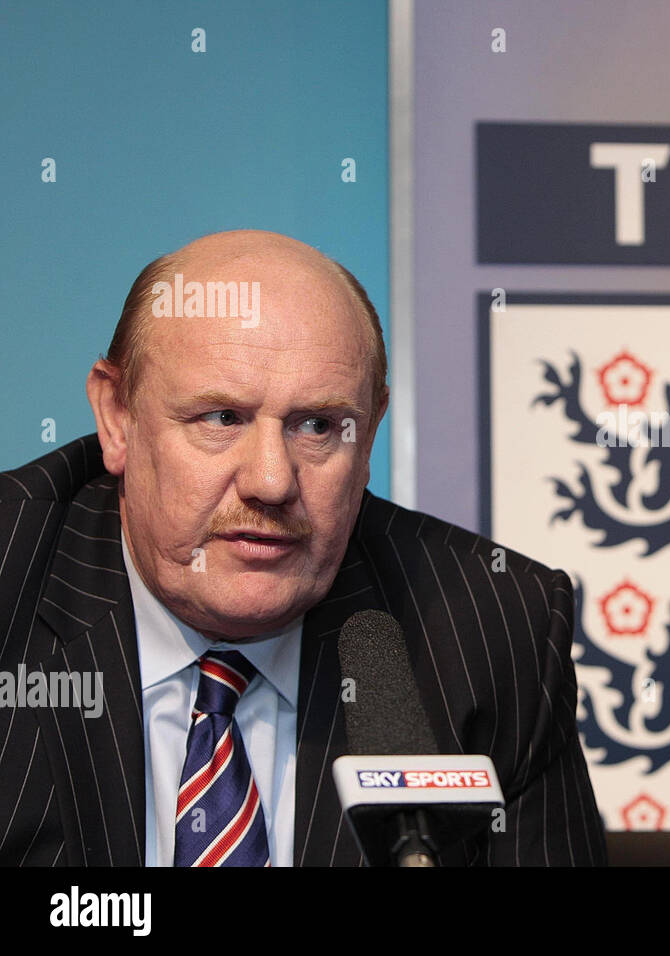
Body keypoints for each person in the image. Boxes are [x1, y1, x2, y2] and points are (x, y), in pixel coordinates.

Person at [0, 230, 606, 866]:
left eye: (317, 426)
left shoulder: (492, 629)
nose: (271, 481)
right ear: (117, 418)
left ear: (368, 435)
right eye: (221, 418)